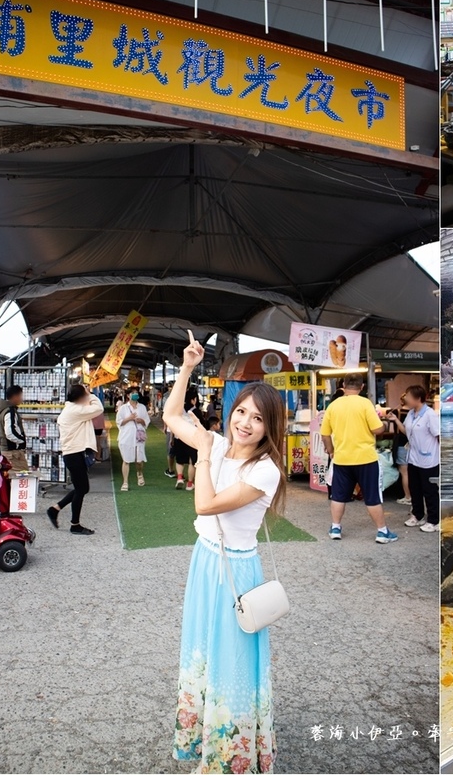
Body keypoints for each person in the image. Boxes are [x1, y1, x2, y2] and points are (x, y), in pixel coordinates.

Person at [165, 331, 285, 774]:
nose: (245, 423)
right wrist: (188, 367)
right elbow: (172, 413)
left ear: (270, 427)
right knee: (201, 650)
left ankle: (229, 758)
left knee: (232, 661)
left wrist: (203, 450)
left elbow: (205, 505)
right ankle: (206, 746)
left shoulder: (266, 470)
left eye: (257, 418)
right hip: (205, 561)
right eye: (241, 412)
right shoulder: (214, 442)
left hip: (236, 570)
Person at [320, 373, 397, 544]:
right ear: (362, 387)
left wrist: (332, 451)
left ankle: (335, 528)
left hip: (341, 459)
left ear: (343, 385)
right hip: (366, 459)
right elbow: (377, 429)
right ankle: (382, 532)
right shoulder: (365, 403)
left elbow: (325, 434)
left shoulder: (333, 406)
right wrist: (384, 424)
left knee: (338, 496)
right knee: (372, 497)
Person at [47, 385, 104, 534]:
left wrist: (85, 394)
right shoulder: (75, 410)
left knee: (82, 488)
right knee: (81, 489)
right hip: (74, 454)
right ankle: (74, 524)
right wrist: (90, 394)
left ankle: (56, 509)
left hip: (73, 454)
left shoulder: (72, 409)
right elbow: (98, 408)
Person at [388, 385, 439, 533]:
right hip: (413, 457)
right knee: (415, 488)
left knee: (429, 490)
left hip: (429, 459)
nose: (406, 399)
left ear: (418, 399)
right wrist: (396, 420)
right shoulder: (410, 413)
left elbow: (438, 435)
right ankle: (417, 515)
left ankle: (434, 520)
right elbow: (406, 431)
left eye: (408, 397)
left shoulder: (430, 415)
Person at [116, 390, 150, 491]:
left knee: (139, 460)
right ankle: (125, 482)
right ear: (128, 395)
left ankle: (139, 473)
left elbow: (146, 421)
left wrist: (142, 421)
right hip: (126, 437)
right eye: (132, 393)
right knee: (126, 460)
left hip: (139, 436)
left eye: (136, 393)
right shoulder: (123, 408)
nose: (135, 395)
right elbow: (119, 422)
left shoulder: (142, 407)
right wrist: (129, 418)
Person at [173, 389, 203, 490]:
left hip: (179, 437)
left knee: (180, 460)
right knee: (192, 461)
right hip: (192, 438)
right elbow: (203, 425)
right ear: (193, 400)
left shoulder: (179, 410)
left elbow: (174, 423)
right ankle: (190, 483)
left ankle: (180, 478)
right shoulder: (196, 412)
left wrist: (172, 437)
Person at [0, 385, 29, 473]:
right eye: (21, 396)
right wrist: (22, 441)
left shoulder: (1, 410)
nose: (22, 399)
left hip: (6, 451)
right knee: (21, 477)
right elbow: (10, 432)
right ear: (15, 396)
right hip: (13, 453)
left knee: (10, 479)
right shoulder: (10, 411)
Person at [391, 404, 412, 505]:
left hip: (402, 445)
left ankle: (408, 496)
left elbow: (403, 431)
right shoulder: (415, 413)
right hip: (411, 445)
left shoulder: (397, 412)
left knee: (404, 472)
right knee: (410, 472)